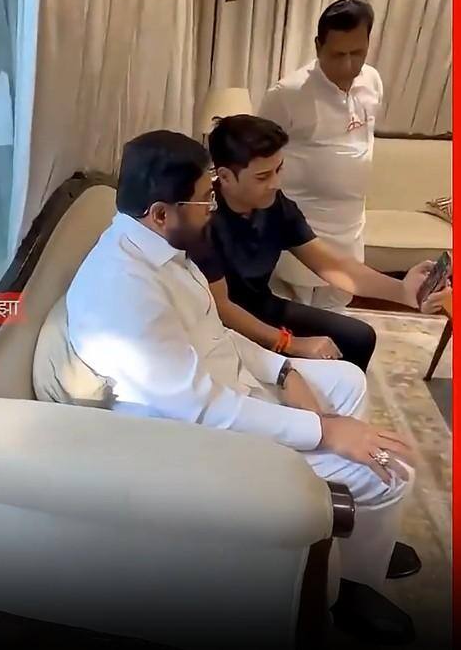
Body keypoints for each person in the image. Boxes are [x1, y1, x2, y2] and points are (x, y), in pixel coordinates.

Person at [65, 130, 442, 643]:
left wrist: (284, 370)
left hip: (232, 392)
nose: (212, 209)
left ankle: (352, 537)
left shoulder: (162, 248)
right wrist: (324, 431)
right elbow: (203, 410)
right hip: (202, 442)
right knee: (391, 470)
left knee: (347, 380)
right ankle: (346, 590)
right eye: (204, 198)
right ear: (160, 212)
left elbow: (214, 331)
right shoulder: (124, 290)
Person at [186, 114, 450, 583]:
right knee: (319, 349)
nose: (275, 183)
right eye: (262, 175)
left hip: (262, 305)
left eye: (278, 170)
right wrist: (292, 344)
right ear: (224, 176)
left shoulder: (275, 205)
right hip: (231, 322)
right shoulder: (203, 220)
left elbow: (331, 265)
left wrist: (401, 291)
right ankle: (310, 472)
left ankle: (353, 487)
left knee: (357, 336)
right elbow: (221, 309)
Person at [260, 0, 381, 309]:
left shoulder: (372, 81)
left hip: (350, 225)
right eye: (337, 54)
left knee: (339, 310)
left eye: (357, 53)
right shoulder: (287, 94)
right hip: (302, 229)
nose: (348, 65)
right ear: (318, 46)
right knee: (296, 316)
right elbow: (257, 156)